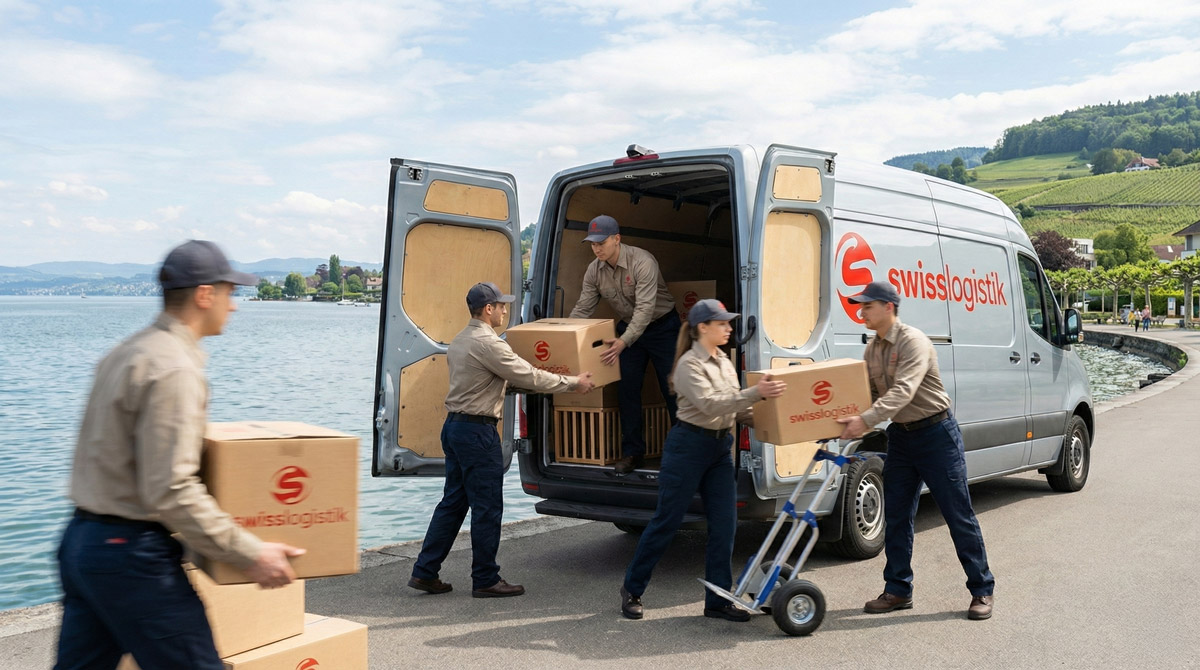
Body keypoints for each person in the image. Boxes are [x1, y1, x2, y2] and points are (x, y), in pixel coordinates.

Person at [56, 240, 304, 670]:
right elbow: (170, 487)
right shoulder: (175, 368)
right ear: (204, 294)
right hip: (131, 554)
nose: (235, 306)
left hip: (82, 542)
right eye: (231, 293)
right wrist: (249, 552)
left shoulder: (128, 351)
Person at [409, 282, 595, 598]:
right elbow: (529, 375)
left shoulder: (459, 341)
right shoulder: (490, 344)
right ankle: (485, 579)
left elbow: (485, 384)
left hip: (454, 428)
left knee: (453, 503)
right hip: (477, 434)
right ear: (488, 309)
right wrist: (572, 382)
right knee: (487, 507)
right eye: (501, 305)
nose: (506, 311)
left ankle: (425, 571)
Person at [835, 281, 995, 621]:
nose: (861, 310)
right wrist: (834, 416)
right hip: (902, 438)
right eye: (860, 305)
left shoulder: (914, 342)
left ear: (888, 307)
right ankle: (897, 590)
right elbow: (866, 393)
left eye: (867, 305)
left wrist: (863, 421)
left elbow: (903, 392)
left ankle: (982, 589)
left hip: (937, 434)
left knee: (957, 515)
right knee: (896, 515)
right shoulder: (872, 349)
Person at [619, 299, 786, 621]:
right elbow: (711, 405)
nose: (728, 328)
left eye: (728, 322)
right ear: (702, 328)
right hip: (688, 448)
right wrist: (756, 393)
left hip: (720, 448)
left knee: (725, 525)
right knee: (667, 522)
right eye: (722, 323)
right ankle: (632, 589)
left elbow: (736, 409)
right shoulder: (687, 365)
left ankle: (718, 600)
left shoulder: (724, 359)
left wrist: (778, 423)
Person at [570, 214, 681, 474]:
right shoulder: (593, 270)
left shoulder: (642, 261)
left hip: (663, 327)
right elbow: (583, 308)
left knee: (673, 390)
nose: (597, 248)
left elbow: (645, 309)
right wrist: (563, 333)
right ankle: (633, 453)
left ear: (617, 239)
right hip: (628, 329)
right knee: (627, 391)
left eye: (602, 242)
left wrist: (623, 342)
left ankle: (681, 454)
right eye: (592, 244)